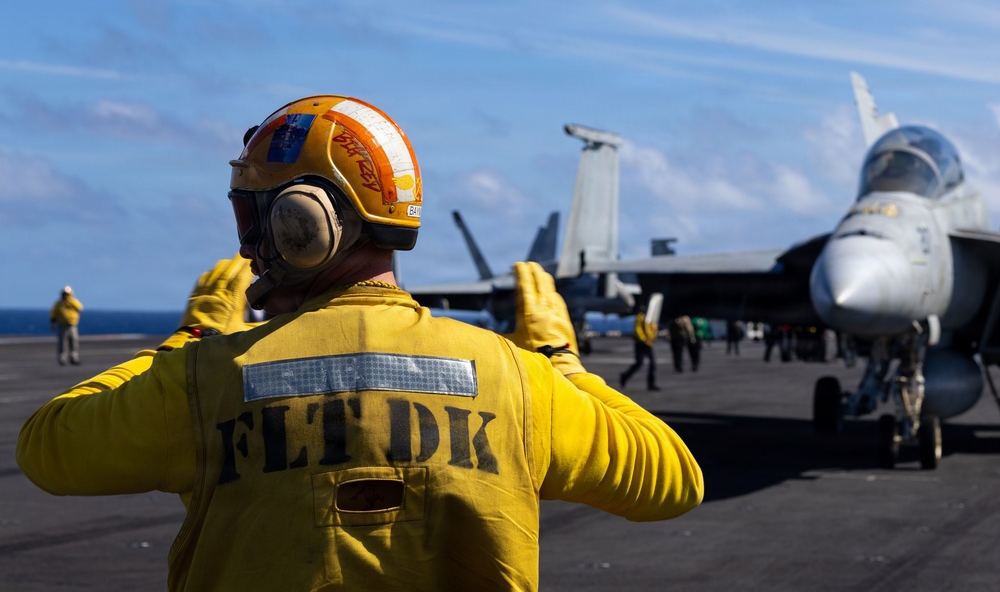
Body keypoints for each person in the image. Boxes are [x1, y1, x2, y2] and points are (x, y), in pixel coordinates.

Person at [17, 95, 703, 591]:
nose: (247, 246)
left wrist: (194, 331)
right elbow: (674, 480)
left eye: (253, 218)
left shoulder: (208, 376)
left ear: (302, 222)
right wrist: (558, 359)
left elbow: (49, 448)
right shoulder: (514, 377)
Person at [620, 307, 660, 389]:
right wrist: (644, 339)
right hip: (641, 343)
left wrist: (652, 338)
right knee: (639, 363)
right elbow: (638, 329)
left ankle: (651, 384)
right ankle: (625, 376)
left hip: (648, 343)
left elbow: (653, 328)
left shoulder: (650, 318)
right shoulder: (640, 317)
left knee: (652, 364)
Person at [49, 285, 83, 365]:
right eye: (64, 294)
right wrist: (53, 322)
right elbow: (54, 313)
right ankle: (62, 358)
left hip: (72, 325)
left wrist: (71, 301)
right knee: (62, 343)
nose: (65, 296)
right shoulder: (59, 303)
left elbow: (80, 308)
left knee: (74, 342)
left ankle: (74, 357)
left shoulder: (73, 302)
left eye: (67, 294)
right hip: (62, 325)